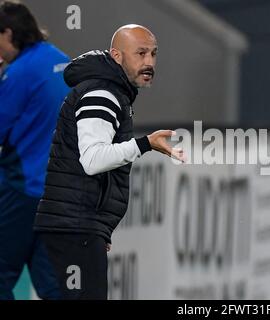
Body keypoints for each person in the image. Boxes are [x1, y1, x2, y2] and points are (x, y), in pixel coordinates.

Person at [34, 24, 184, 300]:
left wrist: (99, 229)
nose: (149, 62)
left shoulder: (112, 90)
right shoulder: (102, 94)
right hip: (73, 228)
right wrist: (145, 144)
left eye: (153, 53)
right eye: (140, 53)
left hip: (77, 227)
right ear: (117, 56)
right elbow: (92, 160)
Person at [0, 1, 70, 300]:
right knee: (52, 283)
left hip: (21, 191)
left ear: (7, 33)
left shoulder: (18, 74)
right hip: (57, 195)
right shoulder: (63, 61)